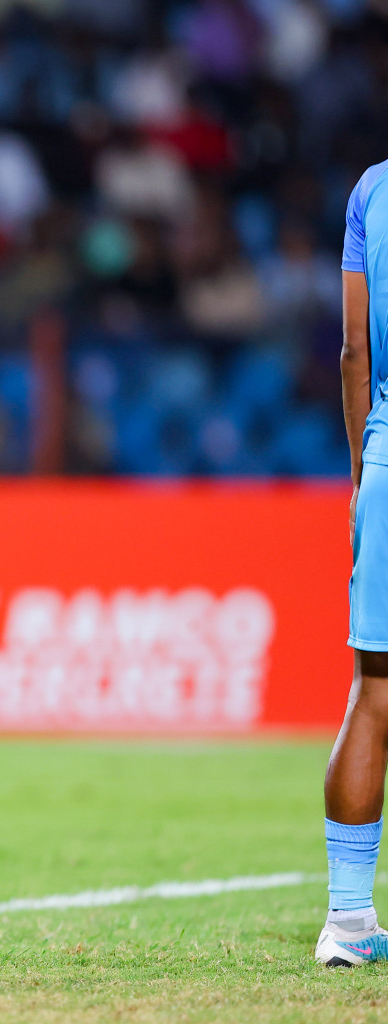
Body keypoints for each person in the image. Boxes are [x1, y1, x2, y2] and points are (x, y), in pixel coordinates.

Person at [323, 157, 388, 965]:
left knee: (376, 691)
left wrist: (359, 476)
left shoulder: (373, 189)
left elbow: (352, 349)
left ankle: (346, 922)